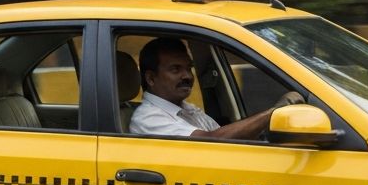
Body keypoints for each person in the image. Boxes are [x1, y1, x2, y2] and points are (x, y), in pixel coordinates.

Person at [128, 37, 304, 139]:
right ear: (151, 78)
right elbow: (212, 141)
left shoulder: (187, 109)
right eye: (176, 69)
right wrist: (274, 113)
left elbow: (224, 136)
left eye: (189, 68)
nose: (188, 76)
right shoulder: (148, 118)